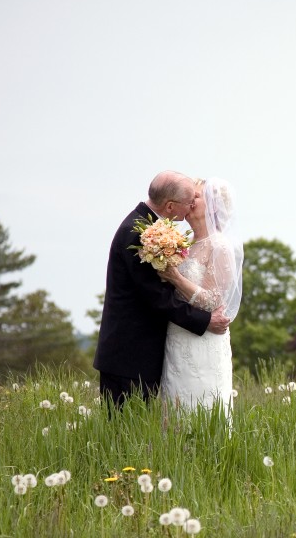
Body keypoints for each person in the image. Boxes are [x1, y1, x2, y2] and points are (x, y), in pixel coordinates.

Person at [94, 171, 230, 409]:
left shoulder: (152, 229)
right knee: (123, 432)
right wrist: (205, 321)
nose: (190, 205)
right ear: (169, 206)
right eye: (189, 199)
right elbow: (158, 298)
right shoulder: (140, 233)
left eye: (196, 198)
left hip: (150, 351)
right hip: (129, 354)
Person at [157, 177, 243, 416]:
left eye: (197, 196)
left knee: (202, 409)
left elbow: (214, 301)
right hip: (176, 337)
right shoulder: (184, 243)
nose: (190, 200)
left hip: (203, 341)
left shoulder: (220, 246)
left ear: (213, 206)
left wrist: (175, 278)